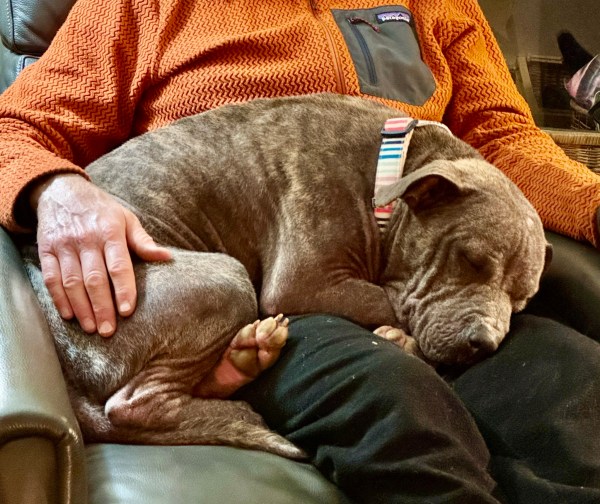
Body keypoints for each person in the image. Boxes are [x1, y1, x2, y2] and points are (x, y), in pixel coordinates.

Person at [1, 1, 599, 502]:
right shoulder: (140, 6)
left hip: (426, 257)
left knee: (574, 387)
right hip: (272, 298)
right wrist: (57, 190)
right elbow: (15, 128)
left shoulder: (438, 5)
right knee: (399, 405)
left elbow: (502, 138)